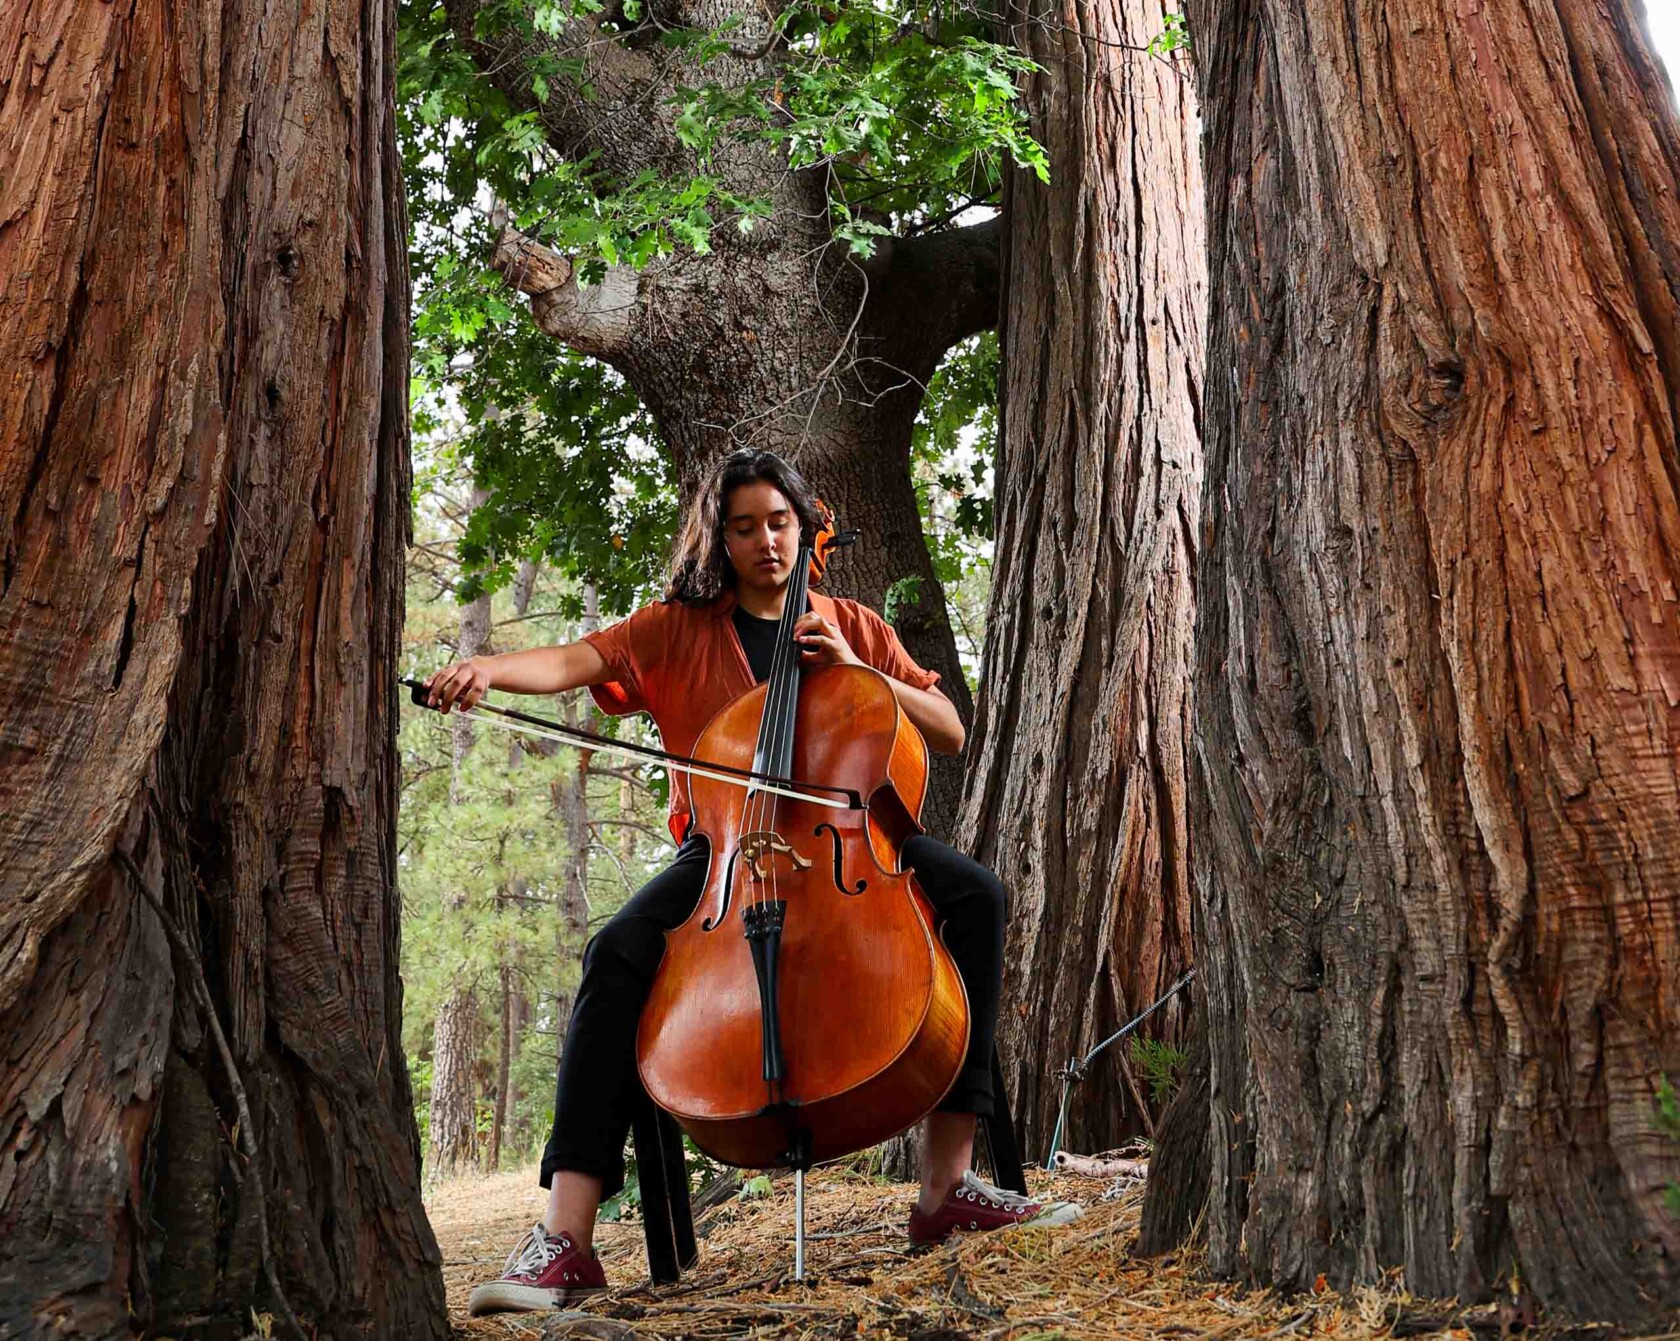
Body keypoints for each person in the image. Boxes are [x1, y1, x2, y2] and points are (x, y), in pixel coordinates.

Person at [425, 449, 1077, 1316]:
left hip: (852, 836)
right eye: (743, 527)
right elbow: (572, 661)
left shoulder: (851, 621)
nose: (765, 540)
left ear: (806, 528)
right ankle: (566, 1237)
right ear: (720, 539)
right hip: (725, 847)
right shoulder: (675, 628)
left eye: (778, 521)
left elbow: (949, 728)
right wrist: (487, 671)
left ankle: (946, 1186)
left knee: (978, 896)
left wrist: (860, 664)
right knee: (615, 948)